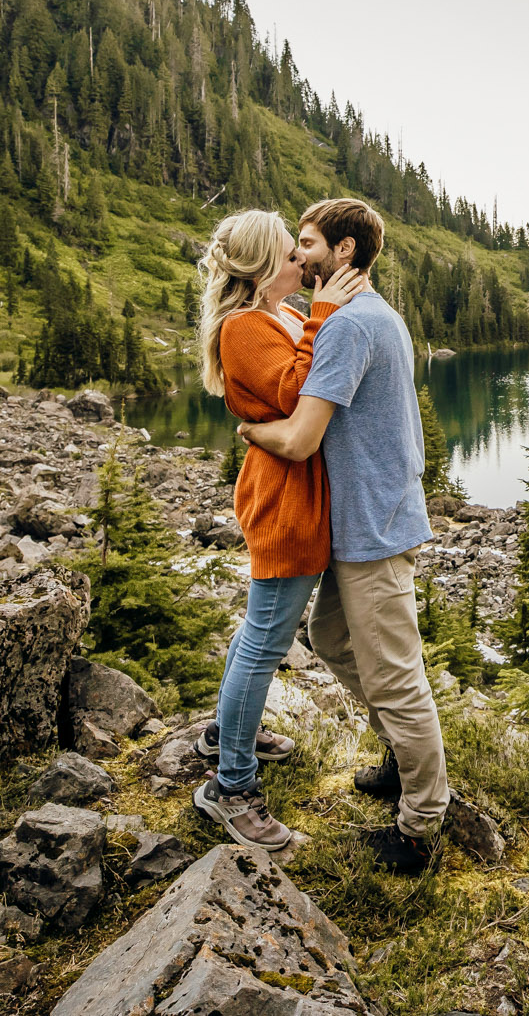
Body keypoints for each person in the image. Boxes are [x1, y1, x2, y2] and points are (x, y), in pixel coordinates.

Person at [238, 197, 444, 875]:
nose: (298, 256)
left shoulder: (351, 326)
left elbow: (298, 439)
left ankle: (421, 824)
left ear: (343, 253)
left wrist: (250, 432)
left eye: (307, 244)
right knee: (329, 639)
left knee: (395, 677)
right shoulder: (366, 315)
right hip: (366, 522)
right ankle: (403, 756)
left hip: (373, 530)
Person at [188, 208, 366, 852]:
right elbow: (294, 393)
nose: (303, 261)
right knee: (267, 640)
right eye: (291, 254)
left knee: (260, 630)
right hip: (283, 501)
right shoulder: (243, 328)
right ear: (266, 267)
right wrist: (320, 315)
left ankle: (226, 733)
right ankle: (231, 785)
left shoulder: (274, 316)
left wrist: (318, 314)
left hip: (296, 492)